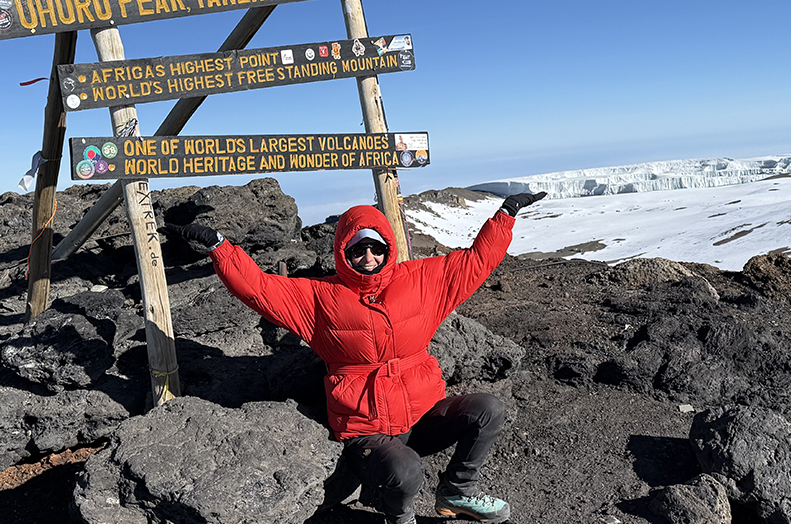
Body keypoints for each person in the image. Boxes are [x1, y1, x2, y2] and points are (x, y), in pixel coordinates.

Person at [177, 191, 546, 524]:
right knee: (406, 469)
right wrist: (220, 247)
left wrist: (506, 214)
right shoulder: (320, 298)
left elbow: (476, 262)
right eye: (357, 250)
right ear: (343, 253)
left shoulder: (422, 280)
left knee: (488, 409)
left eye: (376, 248)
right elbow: (258, 288)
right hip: (366, 429)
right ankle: (398, 517)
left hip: (421, 415)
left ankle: (456, 492)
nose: (368, 258)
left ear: (389, 248)